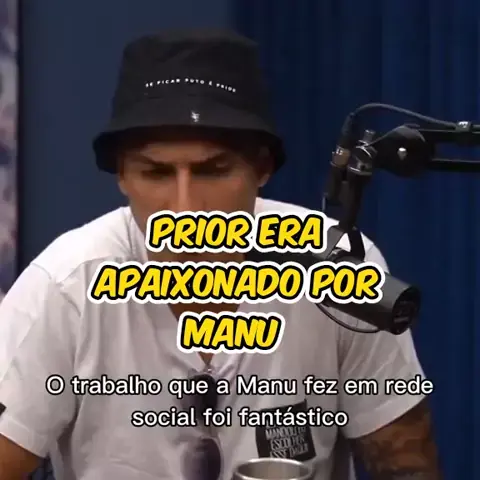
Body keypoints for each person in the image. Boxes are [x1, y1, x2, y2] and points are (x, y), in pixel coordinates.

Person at [0, 29, 441, 480]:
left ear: (262, 169)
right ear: (122, 177)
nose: (185, 209)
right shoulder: (65, 285)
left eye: (213, 171)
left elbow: (407, 466)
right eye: (156, 173)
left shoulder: (338, 266)